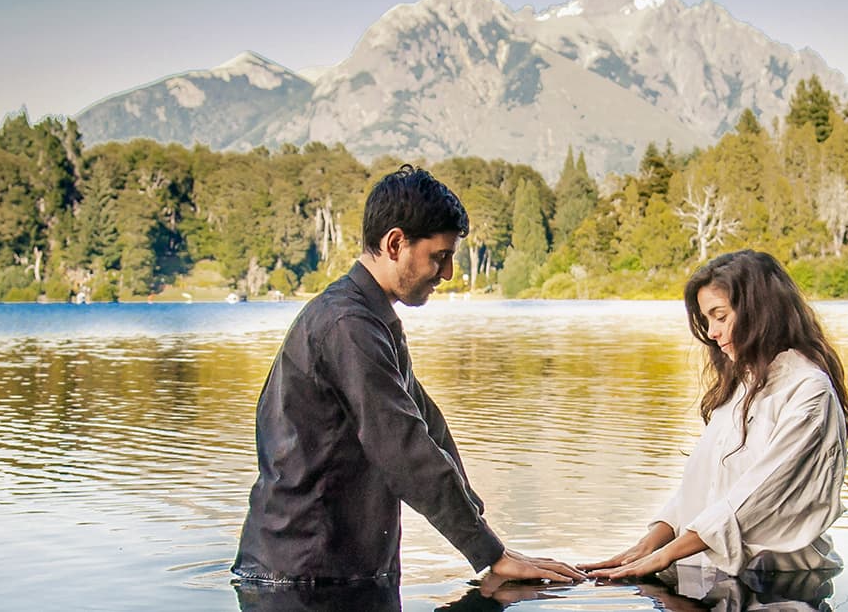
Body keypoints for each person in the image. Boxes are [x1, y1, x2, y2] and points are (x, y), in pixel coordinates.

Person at [232, 165, 584, 587]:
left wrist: (478, 523)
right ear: (395, 243)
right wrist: (489, 553)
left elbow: (426, 424)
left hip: (336, 573)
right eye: (440, 257)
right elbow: (405, 449)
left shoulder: (371, 319)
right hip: (301, 578)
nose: (449, 273)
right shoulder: (348, 325)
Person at [584, 249, 848, 579]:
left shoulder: (809, 391)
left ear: (760, 311)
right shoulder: (744, 384)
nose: (711, 332)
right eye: (707, 319)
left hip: (781, 585)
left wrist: (663, 558)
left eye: (721, 316)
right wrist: (647, 545)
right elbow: (704, 486)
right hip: (714, 574)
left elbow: (756, 494)